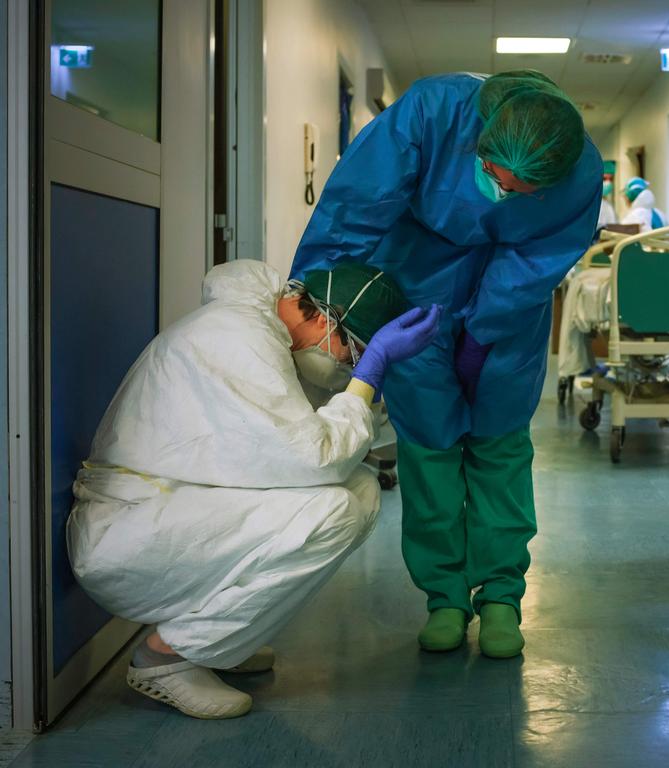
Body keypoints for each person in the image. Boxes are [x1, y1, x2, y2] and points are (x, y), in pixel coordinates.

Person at [292, 70, 602, 659]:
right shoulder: (435, 112)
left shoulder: (579, 168)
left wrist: (484, 332)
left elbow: (538, 260)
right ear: (479, 145)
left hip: (511, 301)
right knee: (429, 442)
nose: (502, 196)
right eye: (493, 178)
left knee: (499, 439)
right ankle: (445, 598)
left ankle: (502, 597)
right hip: (415, 276)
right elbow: (358, 202)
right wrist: (321, 294)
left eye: (522, 193)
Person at [67, 259, 440, 720]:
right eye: (354, 354)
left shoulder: (264, 333)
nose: (349, 367)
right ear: (325, 320)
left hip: (165, 508)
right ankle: (165, 657)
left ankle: (217, 638)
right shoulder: (239, 339)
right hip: (124, 533)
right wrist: (368, 379)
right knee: (334, 509)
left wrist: (366, 383)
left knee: (358, 487)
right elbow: (315, 458)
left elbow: (310, 442)